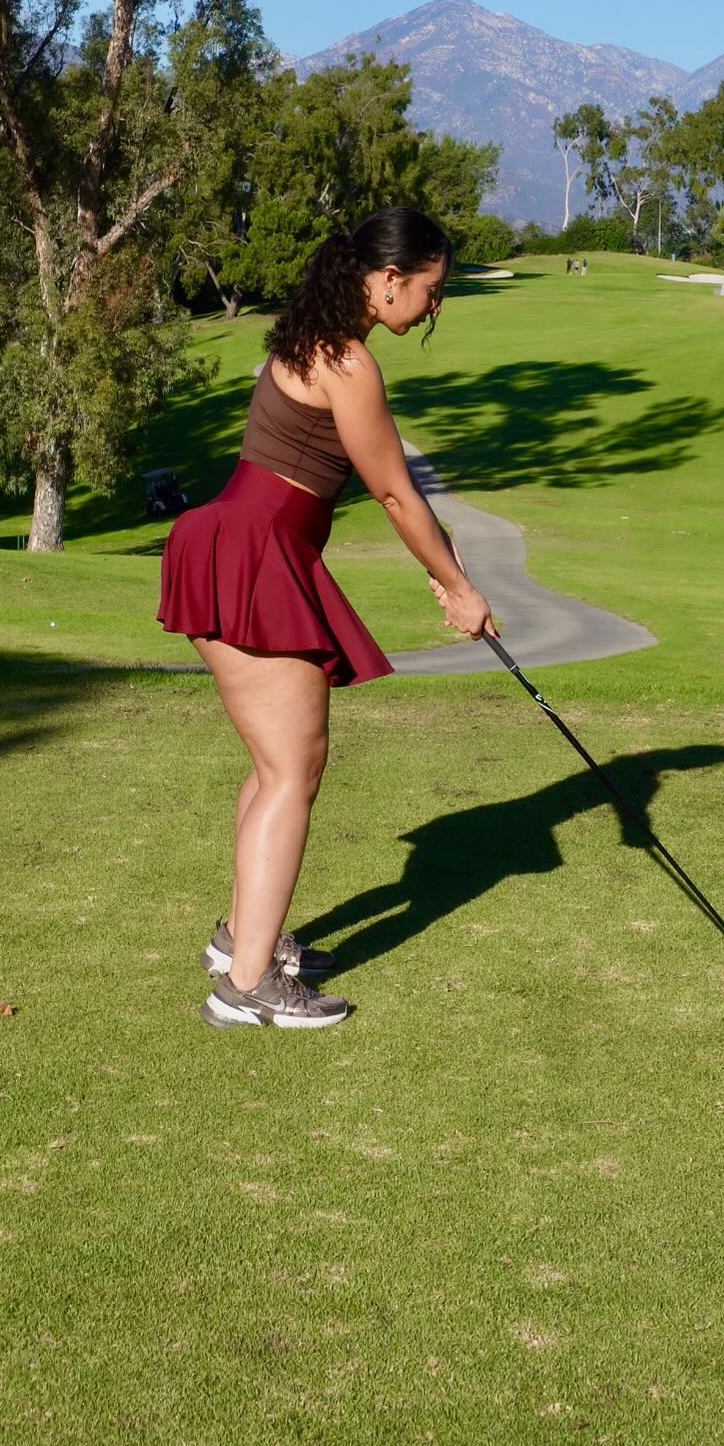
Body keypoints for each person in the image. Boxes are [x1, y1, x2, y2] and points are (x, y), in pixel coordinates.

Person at [158, 208, 495, 1032]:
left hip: (229, 542)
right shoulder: (347, 364)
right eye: (431, 288)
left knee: (276, 761)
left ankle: (243, 936)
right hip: (255, 553)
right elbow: (393, 493)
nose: (433, 305)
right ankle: (245, 986)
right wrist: (458, 586)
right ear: (387, 279)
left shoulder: (307, 342)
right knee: (292, 768)